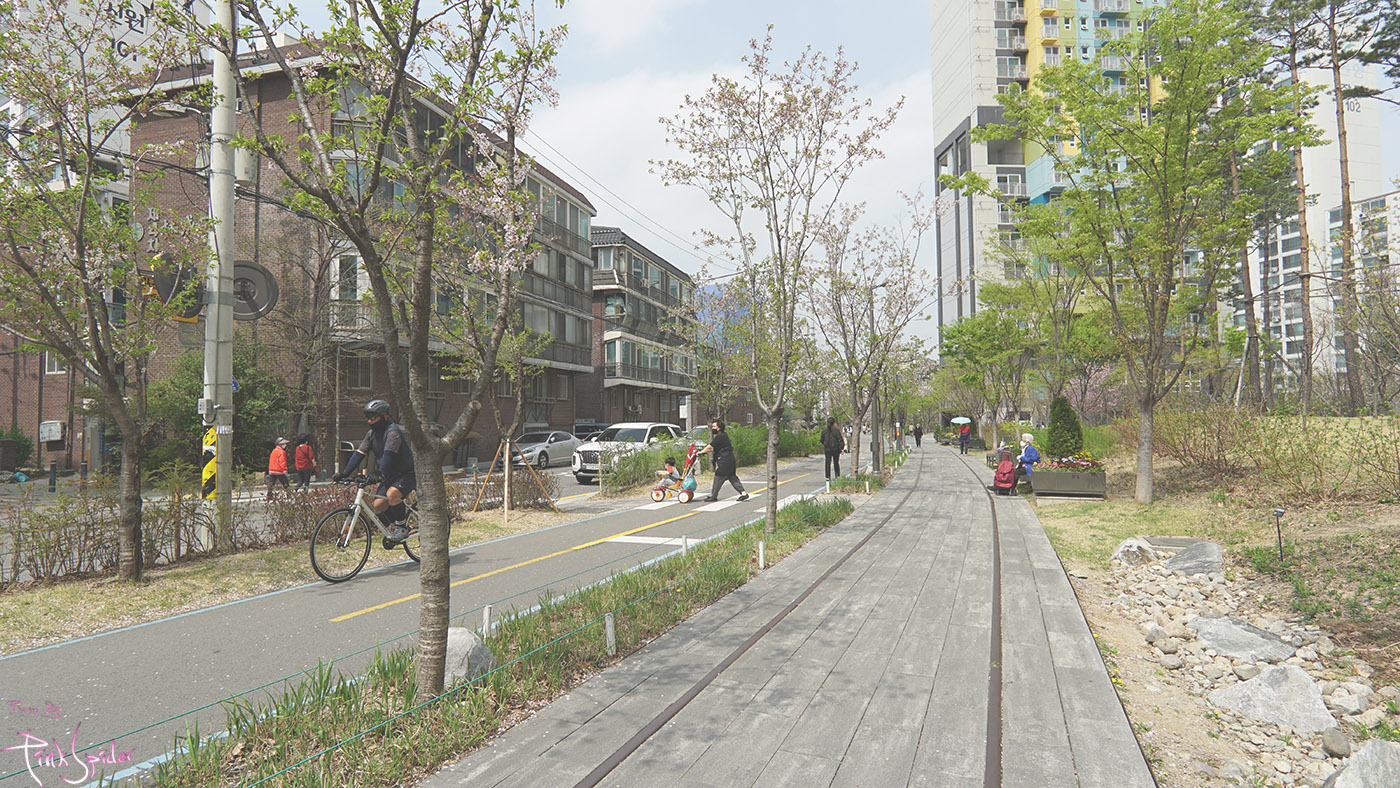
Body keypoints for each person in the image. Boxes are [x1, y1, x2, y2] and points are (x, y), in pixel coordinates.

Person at [334, 399, 416, 541]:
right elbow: (359, 454)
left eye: (373, 417)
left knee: (392, 494)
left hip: (406, 474)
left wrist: (379, 473)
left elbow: (388, 455)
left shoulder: (393, 433)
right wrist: (344, 473)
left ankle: (402, 528)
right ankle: (396, 527)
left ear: (384, 416)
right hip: (389, 476)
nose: (369, 421)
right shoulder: (371, 434)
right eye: (368, 418)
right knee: (378, 505)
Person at [696, 420, 748, 502]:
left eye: (714, 427)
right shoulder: (724, 435)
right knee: (732, 477)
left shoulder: (720, 437)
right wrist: (703, 452)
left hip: (725, 460)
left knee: (719, 476)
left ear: (719, 428)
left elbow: (710, 447)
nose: (712, 428)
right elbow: (712, 448)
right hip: (730, 460)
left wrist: (700, 452)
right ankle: (744, 493)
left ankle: (713, 496)